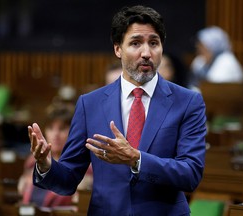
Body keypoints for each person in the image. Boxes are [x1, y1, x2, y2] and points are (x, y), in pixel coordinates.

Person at [28, 5, 206, 215]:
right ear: (117, 49)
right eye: (135, 43)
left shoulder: (187, 101)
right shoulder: (90, 104)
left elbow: (190, 174)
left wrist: (136, 159)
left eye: (154, 43)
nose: (147, 53)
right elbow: (68, 181)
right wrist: (46, 165)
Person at [18, 103, 93, 207]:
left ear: (74, 133)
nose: (55, 134)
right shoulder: (32, 162)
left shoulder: (85, 168)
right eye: (51, 128)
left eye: (62, 129)